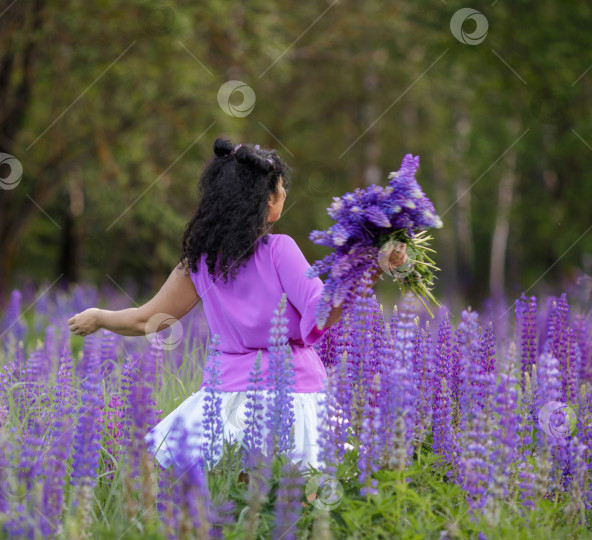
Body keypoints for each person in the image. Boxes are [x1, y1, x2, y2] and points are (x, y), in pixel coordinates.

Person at [67, 137, 407, 473]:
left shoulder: (200, 263)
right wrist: (374, 268)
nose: (285, 193)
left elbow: (146, 320)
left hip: (224, 400)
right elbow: (323, 311)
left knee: (230, 500)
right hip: (292, 396)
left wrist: (100, 317)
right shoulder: (279, 250)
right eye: (280, 188)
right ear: (268, 202)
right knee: (295, 504)